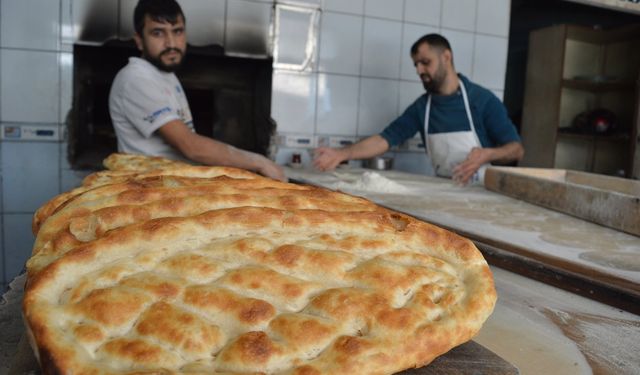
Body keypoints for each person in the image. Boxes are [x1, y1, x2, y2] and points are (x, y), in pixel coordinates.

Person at [313, 33, 524, 185]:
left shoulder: (482, 100)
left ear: (446, 57)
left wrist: (487, 154)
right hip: (444, 190)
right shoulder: (422, 107)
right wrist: (341, 154)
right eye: (416, 65)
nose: (419, 70)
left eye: (425, 62)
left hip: (484, 196)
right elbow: (384, 139)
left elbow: (516, 150)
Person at [109, 0, 285, 181]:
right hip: (145, 190)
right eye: (158, 33)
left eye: (177, 31)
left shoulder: (163, 75)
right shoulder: (136, 79)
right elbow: (190, 146)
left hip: (169, 182)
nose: (171, 43)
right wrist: (259, 162)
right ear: (139, 40)